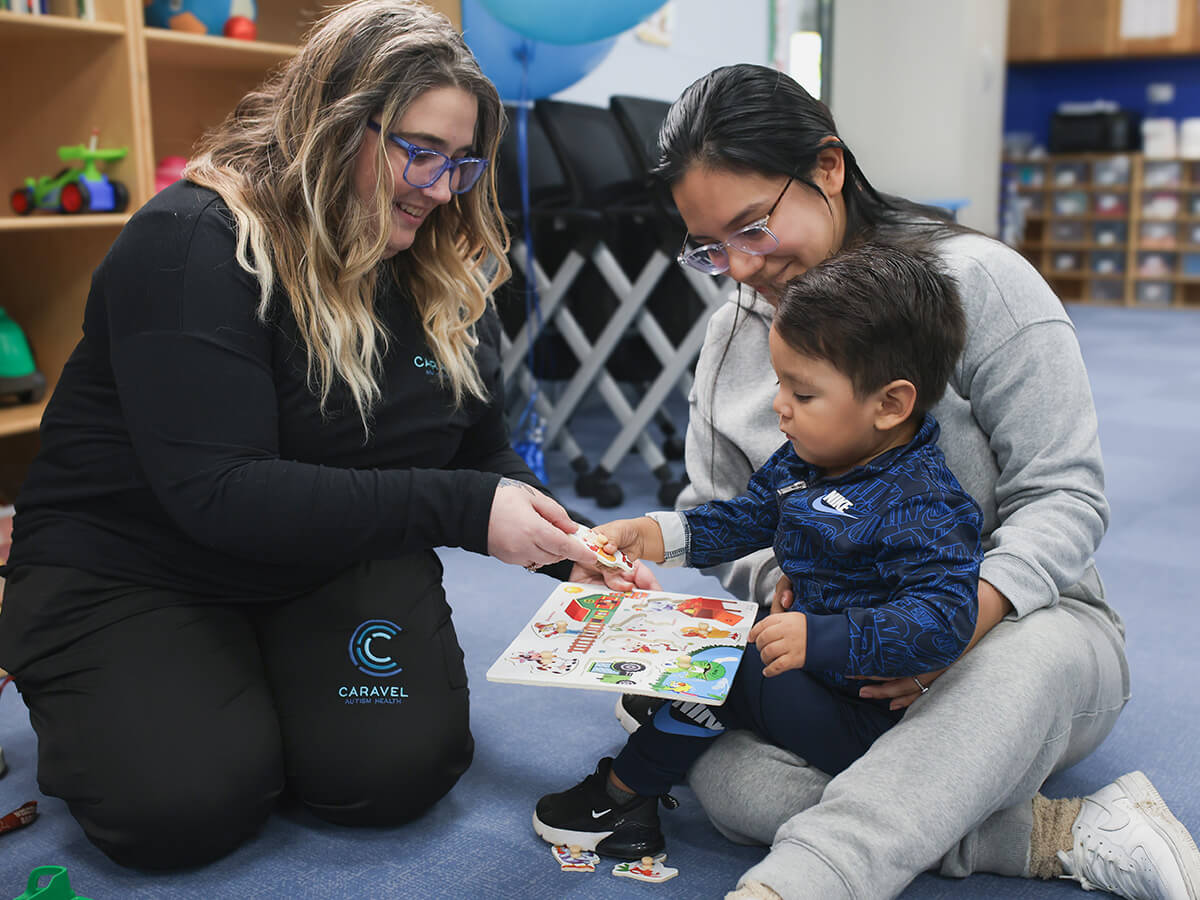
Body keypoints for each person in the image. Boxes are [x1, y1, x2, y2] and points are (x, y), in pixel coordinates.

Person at [0, 0, 610, 870]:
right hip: (136, 562)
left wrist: (563, 539)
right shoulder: (193, 242)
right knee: (179, 813)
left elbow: (474, 448)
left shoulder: (437, 262)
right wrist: (470, 510)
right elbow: (222, 494)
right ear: (332, 122)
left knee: (390, 777)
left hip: (323, 552)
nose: (440, 190)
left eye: (462, 163)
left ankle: (249, 685)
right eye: (419, 151)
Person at [606, 64, 1200, 900]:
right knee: (731, 781)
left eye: (752, 228)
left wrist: (957, 626)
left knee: (998, 680)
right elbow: (728, 517)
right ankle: (1056, 834)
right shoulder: (731, 335)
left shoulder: (980, 283)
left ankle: (805, 881)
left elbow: (1065, 494)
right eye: (710, 248)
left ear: (828, 169)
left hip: (1024, 633)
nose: (738, 269)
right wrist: (798, 591)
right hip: (840, 663)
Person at [532, 243, 986, 860]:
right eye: (780, 385)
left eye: (802, 394)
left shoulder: (926, 504)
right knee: (704, 637)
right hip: (807, 672)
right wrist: (660, 535)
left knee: (728, 668)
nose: (778, 407)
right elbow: (751, 515)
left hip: (866, 718)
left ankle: (622, 800)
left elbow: (943, 620)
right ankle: (675, 716)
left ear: (890, 404)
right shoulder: (808, 460)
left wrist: (820, 636)